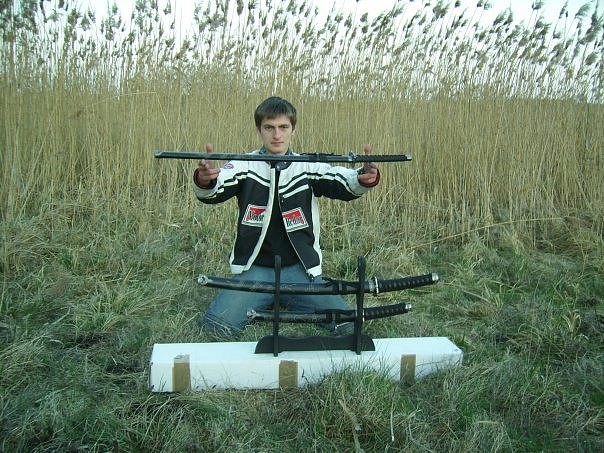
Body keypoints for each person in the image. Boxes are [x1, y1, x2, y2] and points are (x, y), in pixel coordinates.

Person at [193, 96, 380, 337]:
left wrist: (363, 177)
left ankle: (282, 297)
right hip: (256, 270)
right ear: (259, 130)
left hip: (299, 271)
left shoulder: (307, 166)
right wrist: (206, 179)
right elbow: (216, 186)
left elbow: (341, 180)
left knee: (348, 323)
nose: (277, 135)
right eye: (269, 128)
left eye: (283, 127)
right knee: (216, 328)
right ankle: (269, 296)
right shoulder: (243, 165)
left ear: (294, 129)